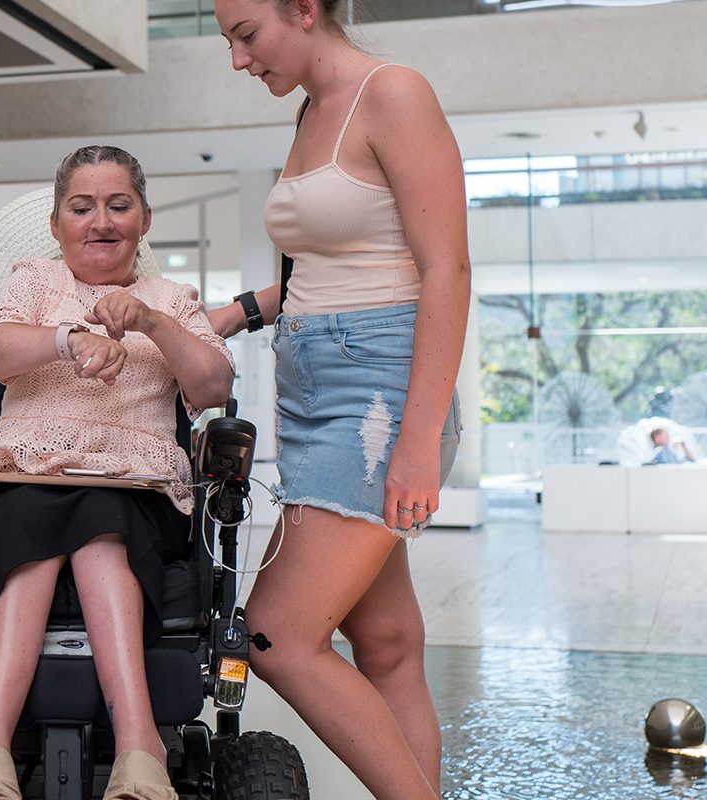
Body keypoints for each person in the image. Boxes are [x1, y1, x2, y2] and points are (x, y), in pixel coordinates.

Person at [198, 2, 466, 797]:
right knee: (383, 643)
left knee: (276, 634)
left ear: (306, 11)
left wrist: (417, 440)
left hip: (378, 399)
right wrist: (235, 313)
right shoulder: (314, 111)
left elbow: (445, 270)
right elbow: (316, 271)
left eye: (247, 36)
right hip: (315, 394)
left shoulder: (394, 93)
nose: (240, 61)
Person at [0, 145, 234, 800]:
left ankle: (140, 747)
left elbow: (212, 384)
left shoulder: (173, 299)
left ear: (144, 218)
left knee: (102, 522)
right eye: (82, 207)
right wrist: (67, 340)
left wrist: (153, 324)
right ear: (57, 225)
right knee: (32, 519)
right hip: (22, 476)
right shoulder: (33, 283)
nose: (100, 221)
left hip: (132, 485)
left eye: (117, 205)